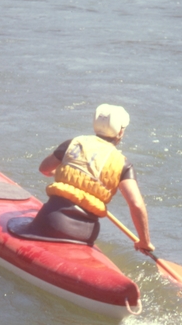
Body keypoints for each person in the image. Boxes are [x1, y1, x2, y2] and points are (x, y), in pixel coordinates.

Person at [14, 104, 154, 252]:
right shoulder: (123, 164)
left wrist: (63, 173)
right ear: (120, 132)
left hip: (49, 222)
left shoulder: (73, 143)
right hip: (85, 234)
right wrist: (144, 241)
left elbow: (44, 169)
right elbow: (137, 204)